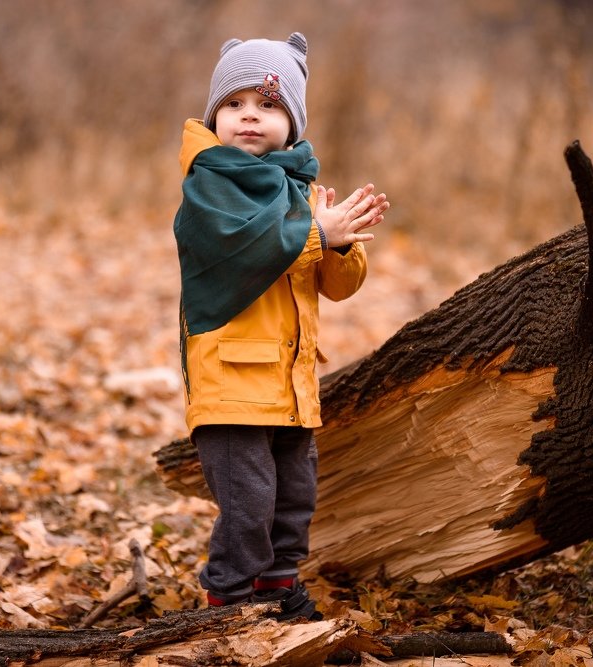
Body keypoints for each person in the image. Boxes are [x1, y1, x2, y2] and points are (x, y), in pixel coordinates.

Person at [173, 32, 389, 621]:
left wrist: (342, 243)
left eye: (268, 106)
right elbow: (245, 250)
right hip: (232, 383)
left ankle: (277, 592)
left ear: (291, 123)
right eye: (235, 104)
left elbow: (337, 286)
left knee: (293, 502)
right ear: (215, 115)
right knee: (247, 505)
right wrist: (320, 231)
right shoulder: (209, 186)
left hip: (291, 385)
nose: (250, 117)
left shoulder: (303, 191)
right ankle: (228, 602)